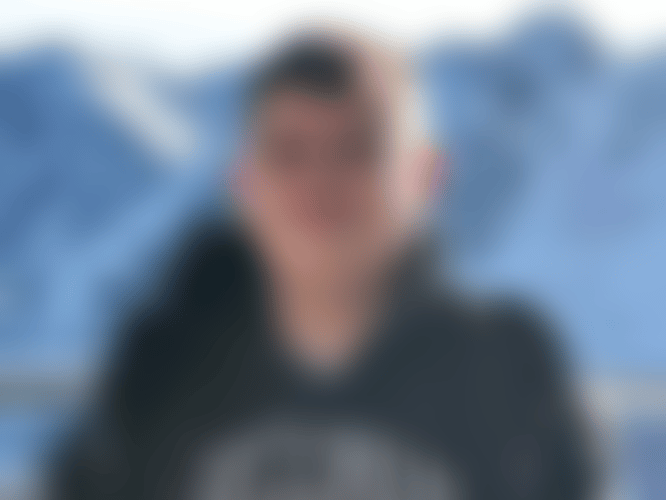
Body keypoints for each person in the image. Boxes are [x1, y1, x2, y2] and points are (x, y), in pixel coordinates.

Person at [49, 25, 595, 500]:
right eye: (289, 154)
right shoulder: (162, 370)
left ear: (426, 175)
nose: (320, 184)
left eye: (358, 150)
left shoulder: (505, 375)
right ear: (245, 184)